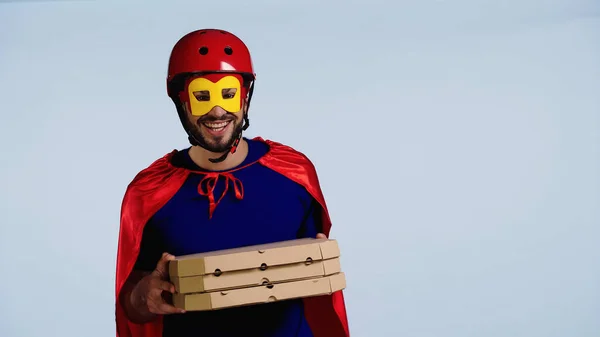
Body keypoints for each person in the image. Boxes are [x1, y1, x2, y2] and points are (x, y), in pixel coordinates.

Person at [114, 28, 350, 337]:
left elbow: (320, 287)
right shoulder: (150, 191)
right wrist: (143, 296)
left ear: (245, 96)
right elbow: (132, 305)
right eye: (202, 96)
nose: (217, 111)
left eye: (227, 94)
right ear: (181, 100)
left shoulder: (293, 173)